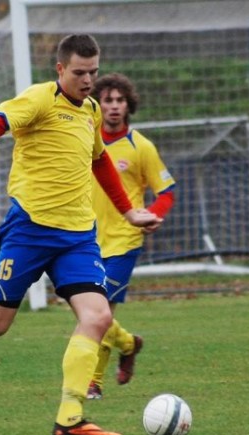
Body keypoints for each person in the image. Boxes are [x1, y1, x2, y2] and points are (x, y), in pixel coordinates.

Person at [0, 35, 161, 435]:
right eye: (79, 73)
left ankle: (70, 418)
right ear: (60, 70)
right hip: (29, 231)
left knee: (98, 316)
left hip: (77, 237)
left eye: (93, 72)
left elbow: (100, 162)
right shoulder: (39, 99)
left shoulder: (90, 111)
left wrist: (127, 211)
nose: (88, 81)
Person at [86, 73, 176, 400]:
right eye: (107, 100)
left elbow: (166, 191)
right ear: (98, 103)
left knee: (100, 313)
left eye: (119, 100)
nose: (113, 107)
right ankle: (128, 344)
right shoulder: (86, 139)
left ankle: (92, 381)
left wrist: (155, 214)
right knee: (90, 313)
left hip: (124, 241)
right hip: (84, 241)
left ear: (128, 105)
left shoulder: (141, 146)